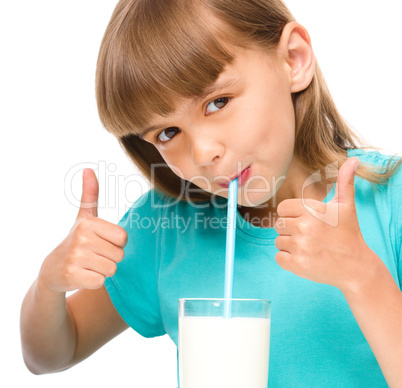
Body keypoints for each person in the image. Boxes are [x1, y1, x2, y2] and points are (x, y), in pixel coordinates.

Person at [20, 0, 402, 386]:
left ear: (293, 59)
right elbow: (50, 354)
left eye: (218, 102)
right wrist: (48, 284)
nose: (203, 153)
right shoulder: (166, 225)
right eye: (167, 133)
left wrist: (363, 276)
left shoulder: (391, 202)